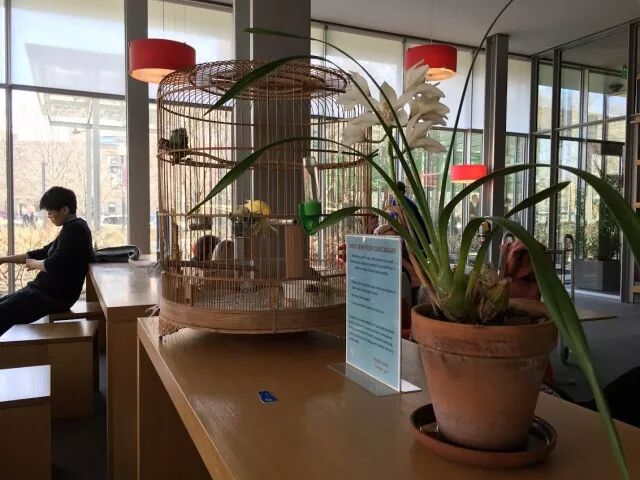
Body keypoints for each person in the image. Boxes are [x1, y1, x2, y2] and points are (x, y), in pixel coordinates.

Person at [0, 187, 93, 335]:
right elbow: (42, 253)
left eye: (50, 212)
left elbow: (54, 265)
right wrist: (4, 259)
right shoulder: (71, 227)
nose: (48, 216)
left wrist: (34, 264)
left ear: (64, 210)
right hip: (41, 292)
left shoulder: (75, 230)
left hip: (53, 297)